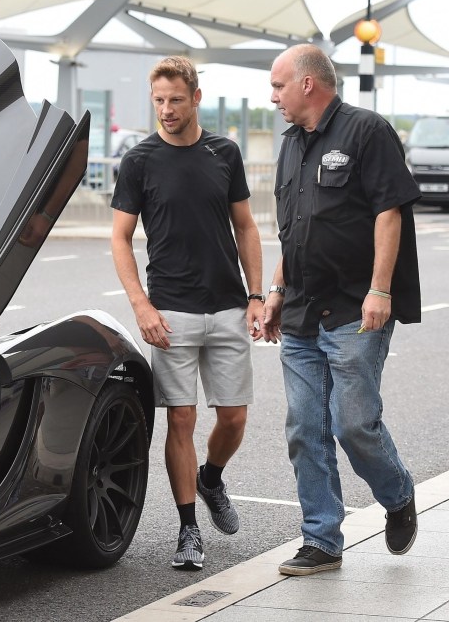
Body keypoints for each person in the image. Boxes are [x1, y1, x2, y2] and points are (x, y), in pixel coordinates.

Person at [262, 43, 421, 576]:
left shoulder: (366, 131)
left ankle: (397, 496)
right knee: (304, 428)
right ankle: (322, 540)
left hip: (355, 308)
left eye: (279, 85)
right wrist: (275, 294)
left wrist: (380, 290)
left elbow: (388, 212)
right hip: (303, 312)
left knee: (352, 423)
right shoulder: (289, 146)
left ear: (309, 83)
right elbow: (292, 232)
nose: (274, 97)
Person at [110, 56, 264, 571]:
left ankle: (212, 478)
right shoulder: (139, 160)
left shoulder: (225, 153)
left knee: (234, 417)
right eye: (158, 100)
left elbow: (245, 226)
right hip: (170, 310)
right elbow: (119, 238)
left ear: (196, 98)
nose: (166, 109)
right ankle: (188, 528)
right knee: (181, 418)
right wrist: (141, 304)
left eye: (176, 99)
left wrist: (257, 294)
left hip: (227, 306)